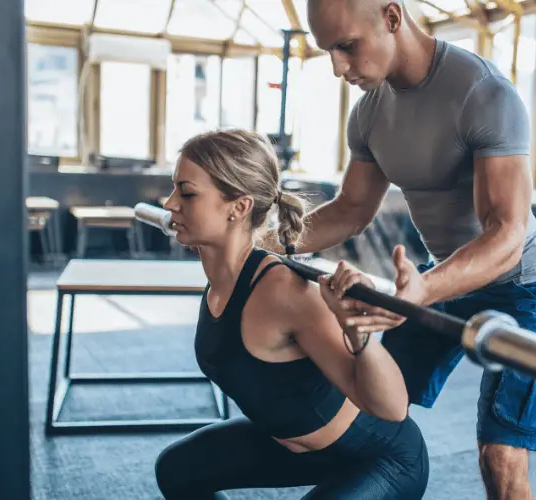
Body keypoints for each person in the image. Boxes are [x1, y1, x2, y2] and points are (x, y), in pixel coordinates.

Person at [259, 1, 536, 499]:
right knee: (363, 402)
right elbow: (351, 209)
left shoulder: (483, 93)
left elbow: (506, 235)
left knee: (502, 456)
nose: (338, 67)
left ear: (392, 17)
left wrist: (425, 288)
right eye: (328, 51)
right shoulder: (368, 113)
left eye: (346, 46)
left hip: (523, 285)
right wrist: (260, 245)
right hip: (440, 278)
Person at [154, 128, 430, 499]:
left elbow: (392, 408)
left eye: (187, 193)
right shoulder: (221, 277)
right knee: (177, 470)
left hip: (380, 457)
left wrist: (358, 336)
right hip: (296, 451)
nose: (170, 203)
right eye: (174, 189)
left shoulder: (286, 292)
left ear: (239, 207)